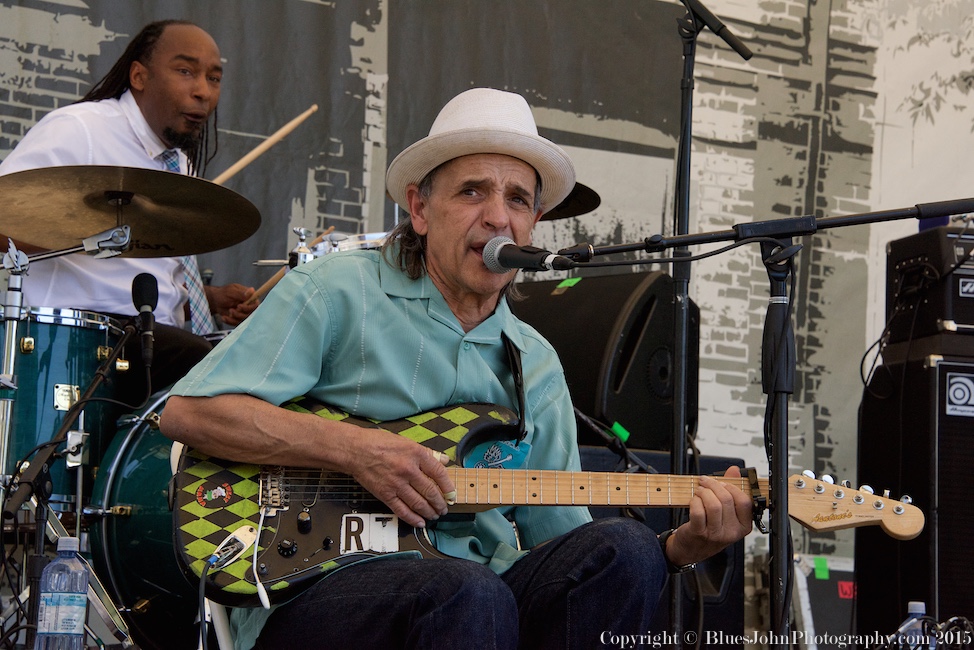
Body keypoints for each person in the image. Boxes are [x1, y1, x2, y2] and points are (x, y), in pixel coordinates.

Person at [161, 88, 753, 649]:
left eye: (517, 199)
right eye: (473, 192)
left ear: (533, 223)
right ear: (420, 208)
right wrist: (356, 451)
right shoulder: (335, 291)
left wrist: (677, 548)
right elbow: (190, 414)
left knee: (624, 550)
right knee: (467, 592)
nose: (497, 217)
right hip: (312, 586)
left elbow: (568, 553)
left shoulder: (534, 363)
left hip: (477, 597)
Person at [0, 19, 257, 403]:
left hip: (150, 339)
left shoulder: (177, 163)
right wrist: (86, 226)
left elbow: (135, 271)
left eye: (214, 78)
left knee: (243, 365)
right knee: (206, 366)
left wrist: (205, 298)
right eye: (185, 71)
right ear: (139, 76)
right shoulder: (81, 129)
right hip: (78, 341)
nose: (203, 91)